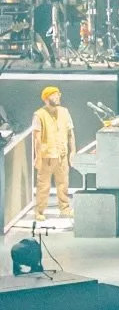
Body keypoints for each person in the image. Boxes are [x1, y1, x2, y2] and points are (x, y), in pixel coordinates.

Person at [32, 85, 75, 222]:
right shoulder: (39, 115)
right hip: (47, 156)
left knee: (63, 184)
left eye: (58, 94)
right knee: (43, 186)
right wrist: (38, 157)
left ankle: (65, 208)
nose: (57, 97)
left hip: (62, 154)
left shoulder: (64, 112)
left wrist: (73, 151)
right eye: (53, 95)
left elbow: (70, 133)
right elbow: (37, 138)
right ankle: (39, 211)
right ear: (46, 98)